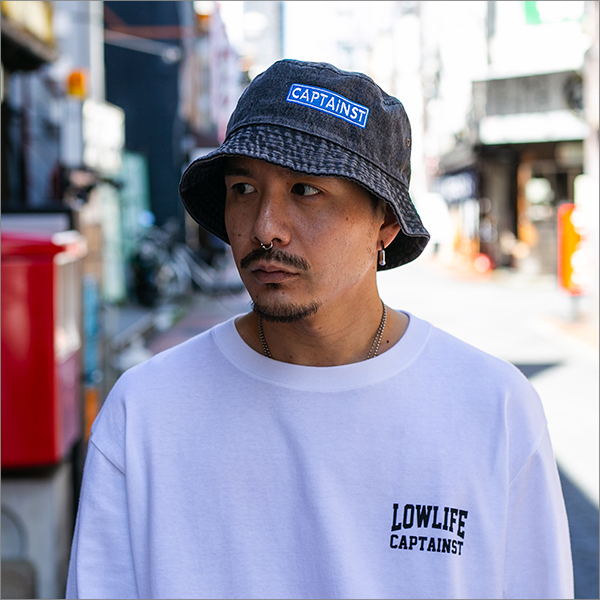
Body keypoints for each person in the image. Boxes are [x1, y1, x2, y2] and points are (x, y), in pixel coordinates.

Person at [66, 59, 573, 599]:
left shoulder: (492, 407)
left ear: (385, 221)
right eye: (243, 188)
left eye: (306, 190)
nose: (265, 228)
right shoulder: (146, 411)